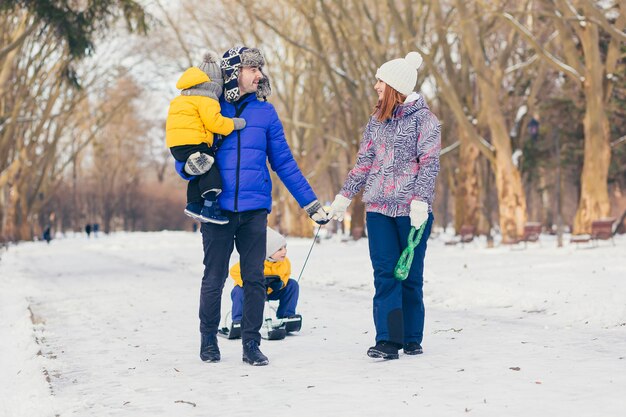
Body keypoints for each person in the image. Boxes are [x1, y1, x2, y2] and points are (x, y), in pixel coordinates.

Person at [194, 46, 329, 366]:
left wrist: (311, 204)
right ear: (233, 73)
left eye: (259, 69)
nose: (259, 74)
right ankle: (208, 340)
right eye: (251, 68)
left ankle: (251, 344)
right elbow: (185, 150)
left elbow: (284, 162)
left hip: (255, 208)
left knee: (254, 277)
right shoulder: (210, 108)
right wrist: (190, 166)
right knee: (214, 277)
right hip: (217, 207)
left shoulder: (265, 113)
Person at [329, 52, 441, 360]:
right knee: (385, 274)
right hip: (378, 208)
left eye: (381, 81)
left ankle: (412, 337)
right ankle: (388, 340)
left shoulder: (426, 121)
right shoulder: (376, 121)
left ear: (395, 85)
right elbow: (364, 162)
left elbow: (430, 164)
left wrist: (421, 200)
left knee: (409, 273)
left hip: (412, 211)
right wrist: (344, 196)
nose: (376, 86)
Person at [166, 52, 246, 224]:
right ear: (215, 84)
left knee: (199, 172)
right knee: (210, 169)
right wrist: (234, 124)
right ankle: (210, 205)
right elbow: (215, 123)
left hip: (176, 146)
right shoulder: (206, 99)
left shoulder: (182, 97)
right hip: (194, 142)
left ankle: (194, 204)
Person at [229, 227, 299, 325]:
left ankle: (286, 315)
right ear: (268, 251)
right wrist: (249, 284)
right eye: (279, 249)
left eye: (285, 247)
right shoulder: (253, 261)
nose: (284, 251)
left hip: (272, 291)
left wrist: (281, 283)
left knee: (292, 284)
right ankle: (238, 321)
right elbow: (234, 271)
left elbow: (287, 273)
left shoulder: (285, 262)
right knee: (238, 291)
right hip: (252, 291)